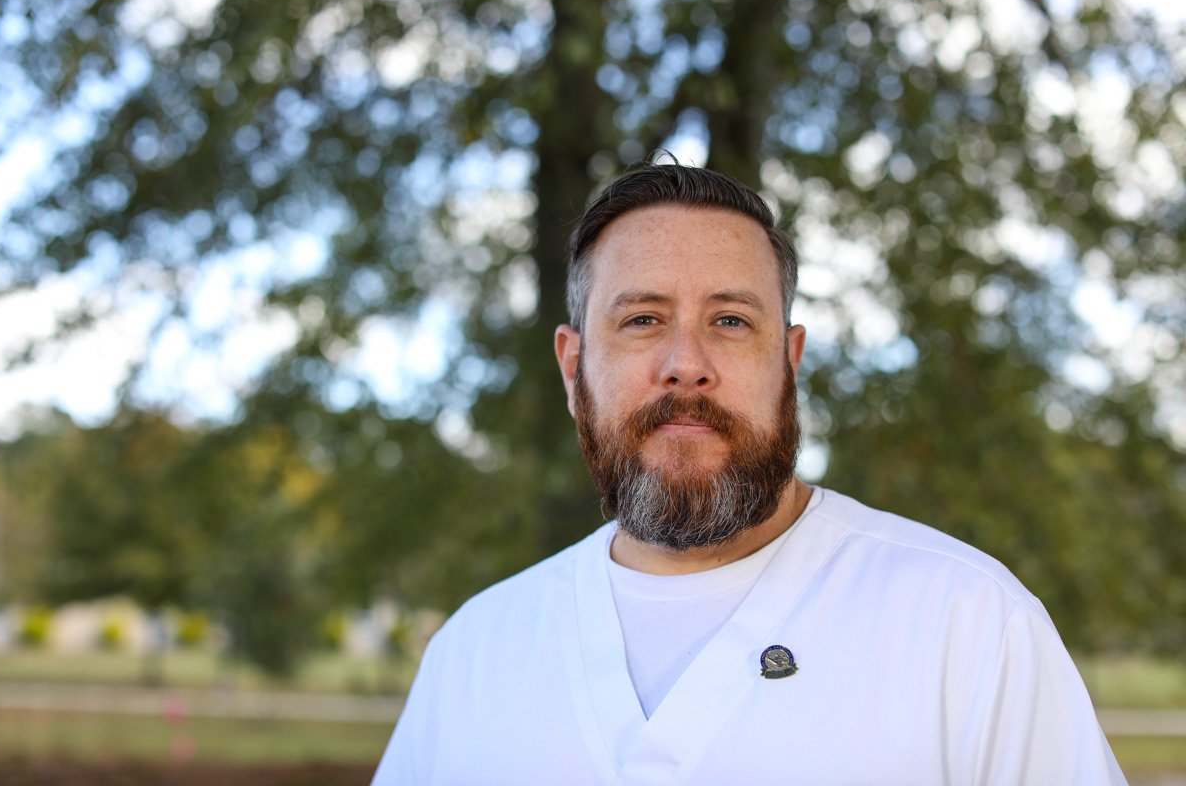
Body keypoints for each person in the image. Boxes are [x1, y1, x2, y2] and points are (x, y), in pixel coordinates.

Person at [371, 164, 1126, 784]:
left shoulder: (970, 624)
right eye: (642, 320)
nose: (686, 366)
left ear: (789, 363)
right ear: (574, 369)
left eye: (730, 321)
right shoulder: (474, 655)